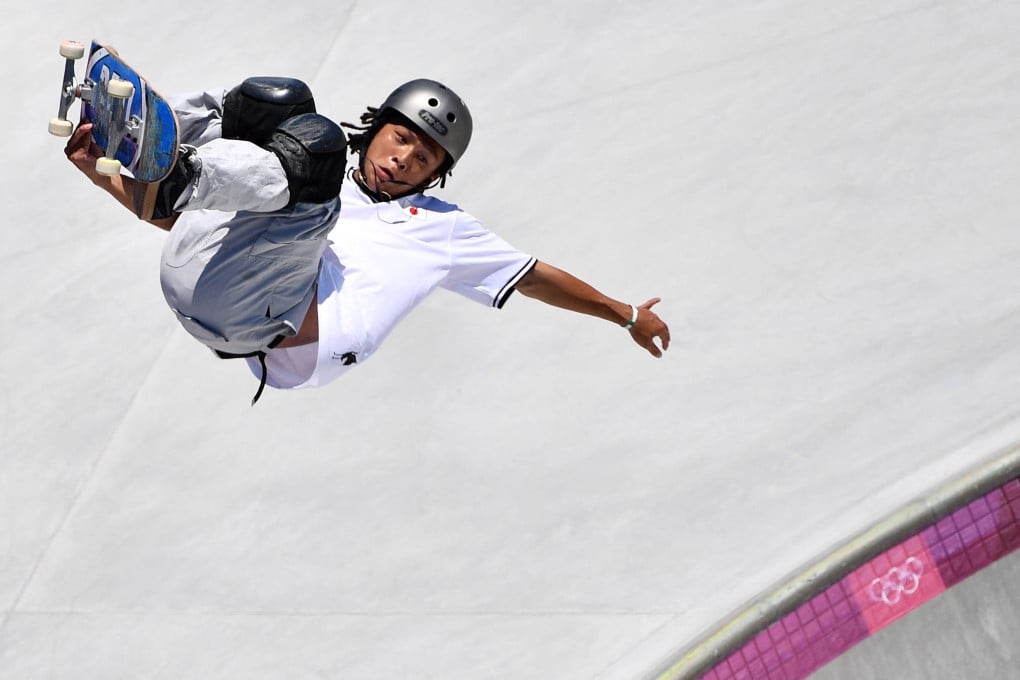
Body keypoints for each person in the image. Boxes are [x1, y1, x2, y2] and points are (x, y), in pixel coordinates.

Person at [64, 76, 670, 403]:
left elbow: (534, 277)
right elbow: (193, 232)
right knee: (280, 104)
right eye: (400, 139)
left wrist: (625, 315)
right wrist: (97, 172)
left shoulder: (443, 227)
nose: (403, 159)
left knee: (312, 151)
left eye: (423, 158)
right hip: (201, 282)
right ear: (377, 128)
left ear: (434, 177)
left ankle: (181, 171)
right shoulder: (294, 179)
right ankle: (133, 126)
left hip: (276, 330)